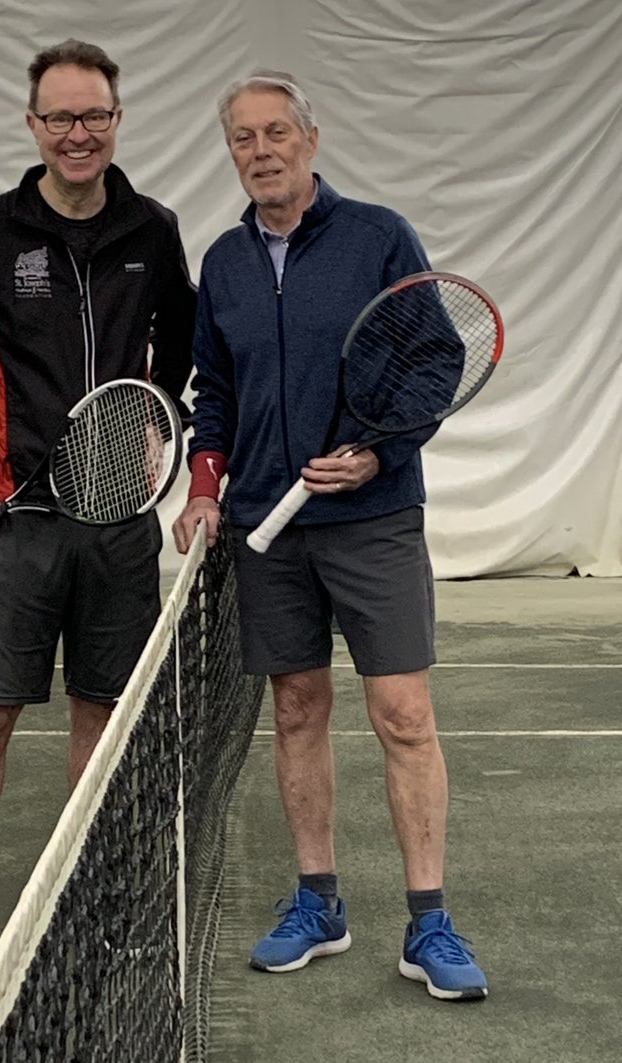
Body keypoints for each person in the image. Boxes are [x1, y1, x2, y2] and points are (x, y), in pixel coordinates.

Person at [172, 71, 488, 1002]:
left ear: (311, 139)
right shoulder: (223, 264)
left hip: (374, 519)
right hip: (267, 531)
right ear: (230, 151)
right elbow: (215, 394)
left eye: (276, 132)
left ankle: (429, 921)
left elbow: (438, 356)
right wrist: (204, 487)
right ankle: (320, 903)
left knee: (403, 717)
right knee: (298, 710)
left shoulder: (378, 237)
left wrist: (381, 454)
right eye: (242, 138)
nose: (260, 150)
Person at [0, 38, 196, 988]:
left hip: (116, 525)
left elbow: (181, 352)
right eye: (61, 117)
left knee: (102, 716)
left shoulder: (153, 232)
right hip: (14, 522)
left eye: (96, 116)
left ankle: (89, 903)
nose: (80, 133)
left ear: (118, 121)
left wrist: (156, 429)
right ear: (33, 126)